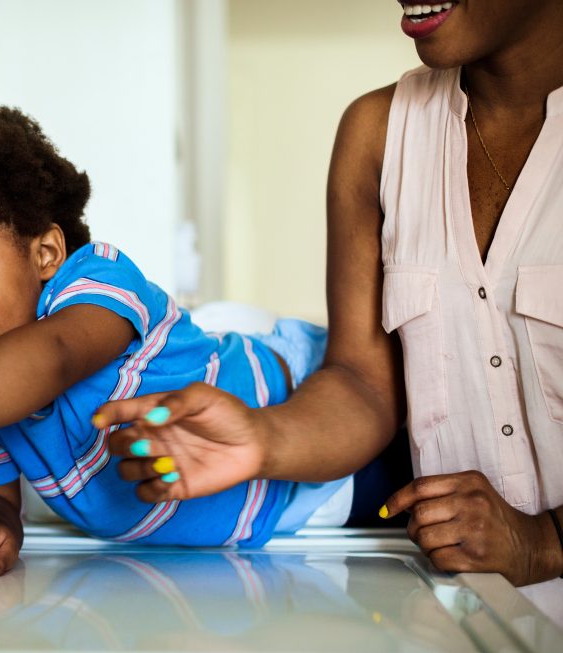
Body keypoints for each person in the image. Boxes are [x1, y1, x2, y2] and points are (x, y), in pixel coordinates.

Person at [96, 0, 563, 624]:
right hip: (454, 614)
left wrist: (545, 541)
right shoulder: (378, 132)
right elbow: (363, 384)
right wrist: (262, 440)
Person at [0, 100, 359, 585]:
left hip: (314, 423)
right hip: (258, 531)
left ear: (45, 253)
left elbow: (54, 356)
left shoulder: (97, 282)